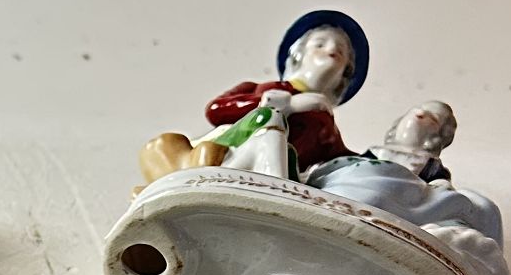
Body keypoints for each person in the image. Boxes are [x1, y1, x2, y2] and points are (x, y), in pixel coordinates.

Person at [306, 101, 509, 275]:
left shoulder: (431, 170)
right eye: (416, 111)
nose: (420, 115)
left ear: (438, 138)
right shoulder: (358, 158)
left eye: (432, 119)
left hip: (404, 204)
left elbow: (436, 191)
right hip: (353, 190)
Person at [139, 10, 368, 183]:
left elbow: (340, 158)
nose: (331, 50)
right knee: (268, 118)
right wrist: (286, 103)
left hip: (287, 170)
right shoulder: (258, 88)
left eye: (341, 51)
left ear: (345, 74)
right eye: (320, 44)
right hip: (232, 152)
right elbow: (216, 109)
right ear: (298, 54)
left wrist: (376, 158)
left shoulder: (324, 121)